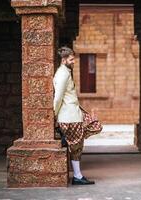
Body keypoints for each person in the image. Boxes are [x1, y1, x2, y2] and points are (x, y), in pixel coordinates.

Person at [53, 46, 102, 185]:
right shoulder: (63, 74)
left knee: (94, 126)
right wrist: (54, 115)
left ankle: (66, 140)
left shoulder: (65, 72)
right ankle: (77, 176)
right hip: (69, 118)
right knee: (77, 147)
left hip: (74, 114)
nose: (74, 61)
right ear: (64, 60)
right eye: (71, 59)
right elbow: (58, 97)